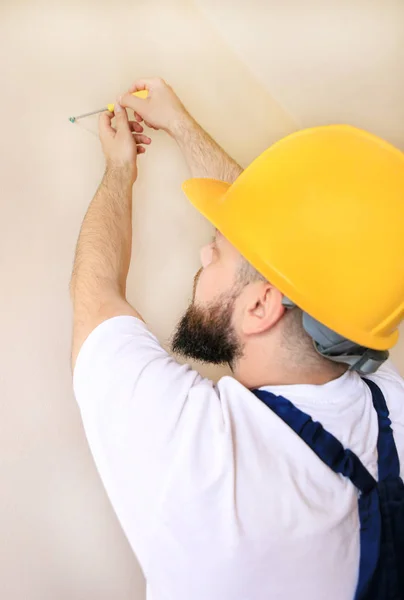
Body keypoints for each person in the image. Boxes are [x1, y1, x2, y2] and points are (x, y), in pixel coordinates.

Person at [70, 77, 404, 600]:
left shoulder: (201, 458)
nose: (204, 256)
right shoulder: (392, 400)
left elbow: (95, 296)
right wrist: (179, 123)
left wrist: (118, 169)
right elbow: (290, 245)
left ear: (261, 306)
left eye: (216, 248)